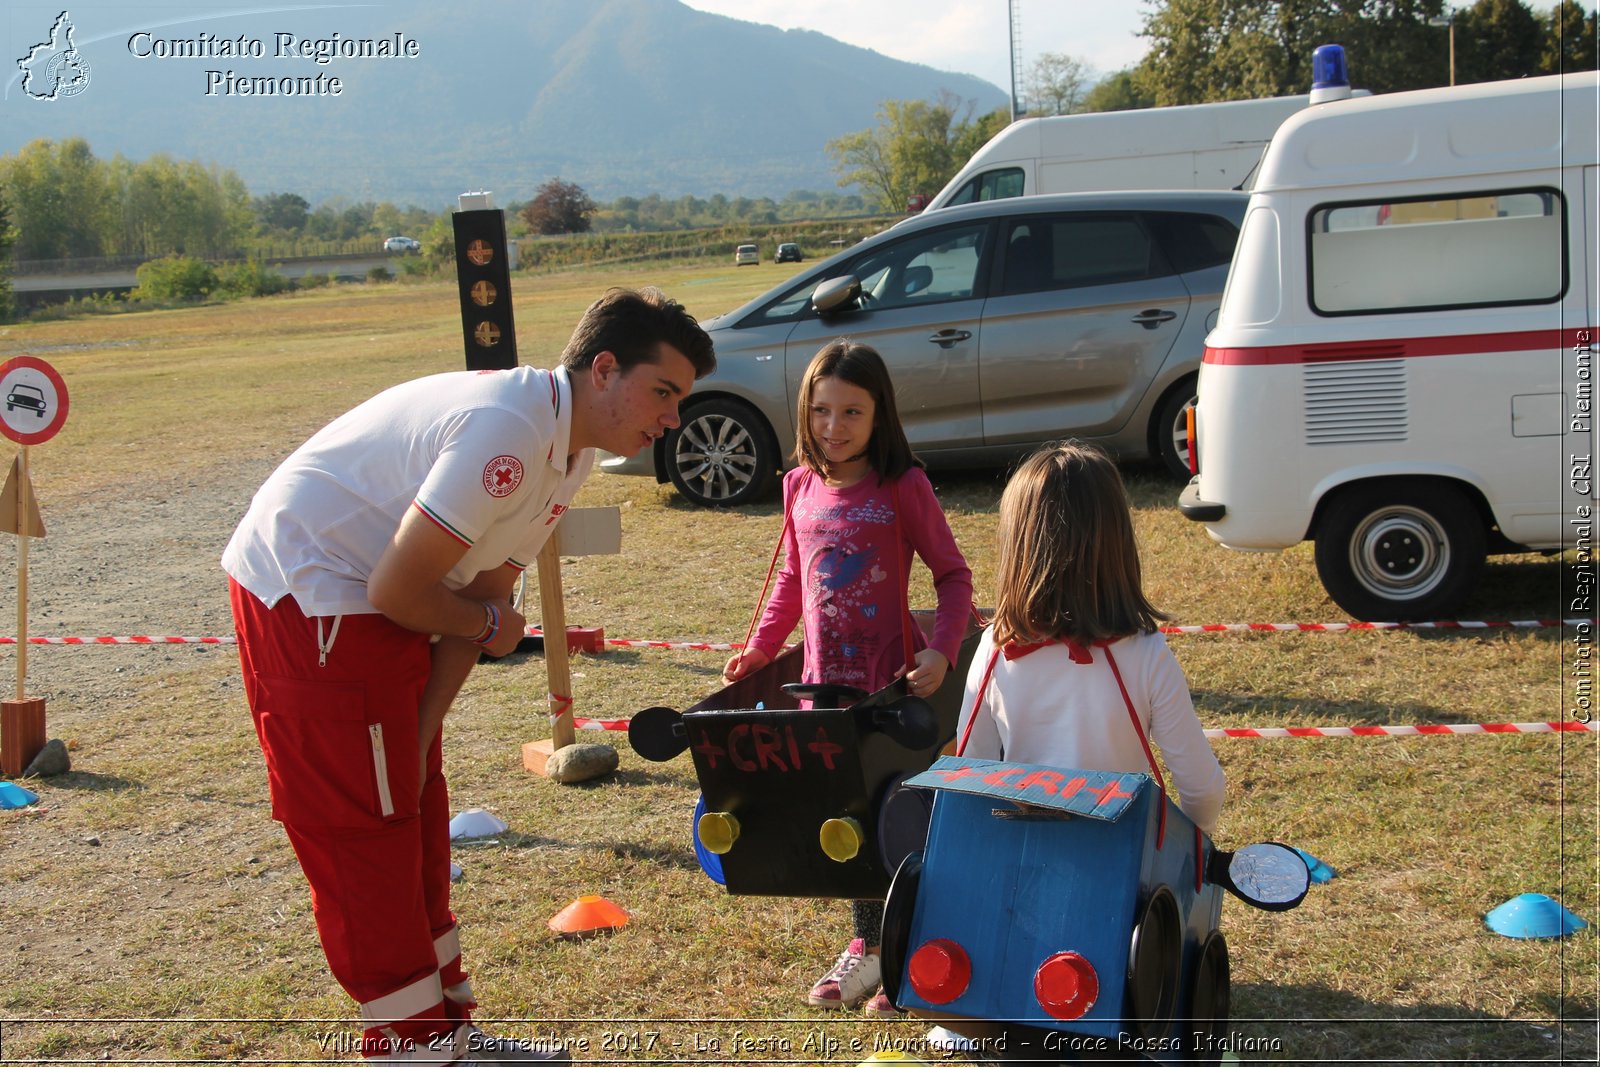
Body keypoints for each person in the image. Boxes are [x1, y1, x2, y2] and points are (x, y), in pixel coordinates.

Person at [223, 287, 715, 1065]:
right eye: (664, 392)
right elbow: (416, 597)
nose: (673, 417)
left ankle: (450, 1035)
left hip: (373, 589)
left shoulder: (576, 449)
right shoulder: (510, 430)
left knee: (413, 802)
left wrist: (423, 735)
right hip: (309, 587)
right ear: (605, 369)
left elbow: (479, 595)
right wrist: (490, 630)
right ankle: (412, 1050)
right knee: (364, 828)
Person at [721, 338, 973, 1016]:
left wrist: (942, 652)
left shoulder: (903, 486)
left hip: (890, 693)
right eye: (821, 410)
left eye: (852, 412)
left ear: (880, 414)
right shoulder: (798, 484)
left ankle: (904, 957)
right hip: (820, 691)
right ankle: (872, 948)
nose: (833, 427)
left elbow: (953, 576)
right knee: (843, 822)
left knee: (894, 821)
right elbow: (790, 579)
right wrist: (757, 649)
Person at [953, 440, 1225, 836]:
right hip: (1119, 866)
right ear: (1116, 544)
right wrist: (1188, 849)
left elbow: (971, 771)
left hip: (1019, 863)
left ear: (1018, 548)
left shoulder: (997, 646)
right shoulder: (1146, 654)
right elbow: (1202, 788)